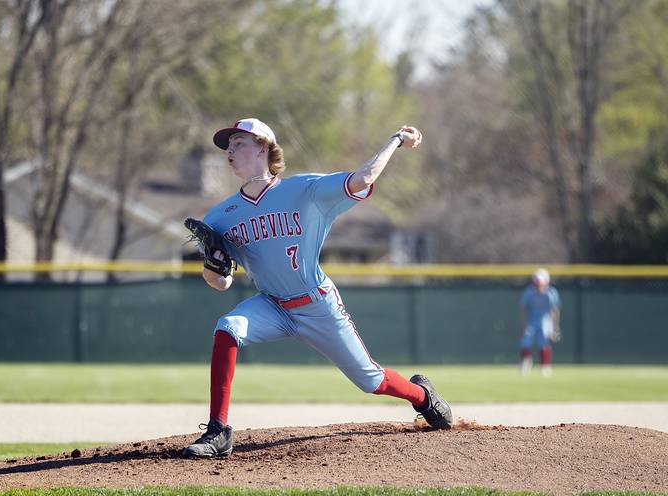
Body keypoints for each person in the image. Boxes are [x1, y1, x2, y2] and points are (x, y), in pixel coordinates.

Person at [182, 118, 453, 459]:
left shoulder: (304, 190)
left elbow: (364, 178)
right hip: (272, 305)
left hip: (317, 305)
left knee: (371, 380)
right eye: (228, 146)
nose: (230, 151)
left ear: (264, 147)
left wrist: (396, 139)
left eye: (238, 142)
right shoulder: (221, 216)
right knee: (228, 328)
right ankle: (218, 431)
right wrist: (213, 268)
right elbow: (220, 283)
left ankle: (423, 397)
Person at [519, 268, 561, 377]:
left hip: (545, 320)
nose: (538, 286)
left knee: (544, 343)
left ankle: (545, 366)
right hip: (532, 319)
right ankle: (526, 362)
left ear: (546, 282)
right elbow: (524, 309)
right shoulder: (529, 292)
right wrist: (524, 324)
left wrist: (555, 326)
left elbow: (554, 311)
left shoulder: (551, 293)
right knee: (525, 341)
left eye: (541, 283)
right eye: (537, 283)